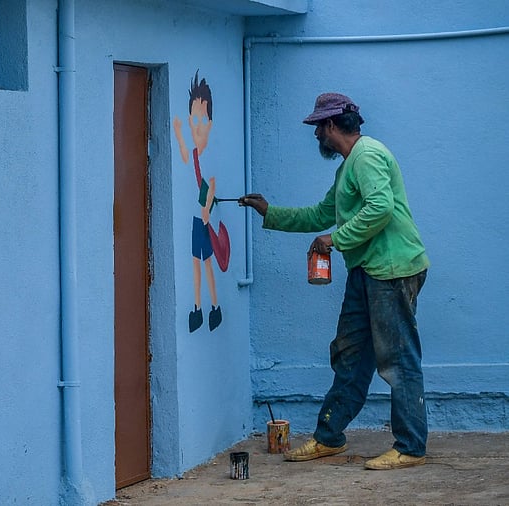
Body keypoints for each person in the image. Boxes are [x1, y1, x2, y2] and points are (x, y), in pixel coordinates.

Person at [239, 93, 430, 470]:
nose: (315, 137)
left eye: (316, 129)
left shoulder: (368, 156)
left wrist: (335, 239)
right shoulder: (347, 167)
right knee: (350, 355)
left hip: (392, 270)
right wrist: (270, 212)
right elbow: (322, 213)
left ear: (331, 126)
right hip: (368, 271)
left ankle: (410, 446)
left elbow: (381, 207)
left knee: (397, 360)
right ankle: (329, 437)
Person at [172, 70, 223, 332]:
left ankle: (214, 306)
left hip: (202, 218)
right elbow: (182, 152)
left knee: (207, 262)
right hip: (195, 219)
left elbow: (211, 186)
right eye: (194, 118)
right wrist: (179, 132)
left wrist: (206, 210)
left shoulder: (209, 156)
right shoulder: (193, 153)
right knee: (195, 261)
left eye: (203, 119)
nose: (198, 124)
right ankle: (197, 307)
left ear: (210, 123)